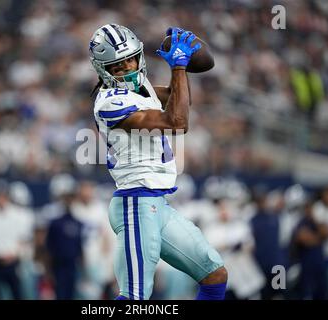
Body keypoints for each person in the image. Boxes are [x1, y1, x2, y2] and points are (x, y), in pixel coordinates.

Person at [89, 24, 227, 300]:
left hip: (157, 205)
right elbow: (177, 122)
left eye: (130, 58)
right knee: (134, 297)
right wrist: (177, 67)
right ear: (103, 70)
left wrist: (186, 59)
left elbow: (184, 99)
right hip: (135, 202)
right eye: (117, 66)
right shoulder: (109, 101)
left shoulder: (143, 89)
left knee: (214, 275)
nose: (127, 67)